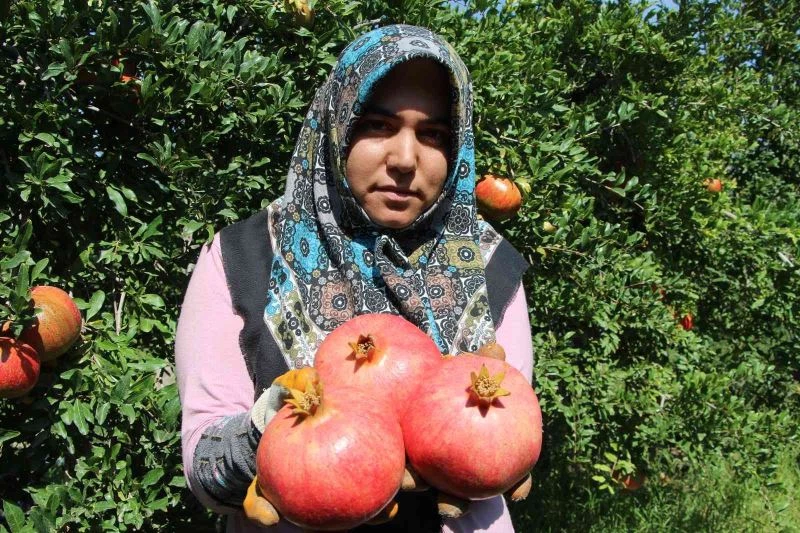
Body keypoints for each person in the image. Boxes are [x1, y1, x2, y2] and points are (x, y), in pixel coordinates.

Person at [175, 24, 534, 532]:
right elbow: (204, 465)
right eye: (378, 126)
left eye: (433, 135)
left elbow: (510, 435)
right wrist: (269, 429)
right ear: (336, 125)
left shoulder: (490, 266)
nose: (405, 159)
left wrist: (500, 447)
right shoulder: (242, 259)